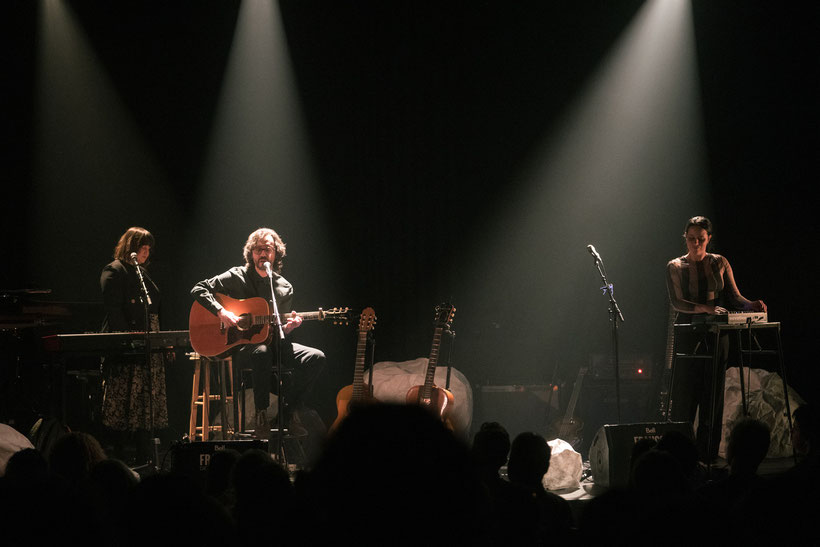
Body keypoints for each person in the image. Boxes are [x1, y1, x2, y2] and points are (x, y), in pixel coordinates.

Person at [191, 227, 325, 437]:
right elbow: (199, 288)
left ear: (276, 253)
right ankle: (261, 415)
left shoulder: (284, 287)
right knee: (261, 352)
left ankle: (288, 414)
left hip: (274, 343)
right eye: (258, 249)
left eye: (268, 249)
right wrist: (221, 312)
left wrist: (288, 328)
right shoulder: (237, 276)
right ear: (251, 253)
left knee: (316, 357)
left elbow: (279, 328)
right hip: (243, 347)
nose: (263, 254)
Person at [665, 216, 766, 461]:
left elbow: (735, 297)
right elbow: (677, 302)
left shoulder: (719, 262)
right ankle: (682, 458)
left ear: (709, 238)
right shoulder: (676, 266)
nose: (696, 244)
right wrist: (705, 309)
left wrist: (752, 304)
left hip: (716, 335)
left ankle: (707, 459)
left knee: (713, 399)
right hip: (689, 334)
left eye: (701, 239)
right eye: (691, 239)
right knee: (684, 398)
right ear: (685, 239)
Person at [100, 227, 170, 462]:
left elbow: (156, 306)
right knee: (124, 402)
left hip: (149, 343)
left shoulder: (142, 274)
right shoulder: (115, 270)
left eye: (149, 249)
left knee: (145, 402)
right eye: (142, 248)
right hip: (128, 345)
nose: (146, 253)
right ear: (131, 247)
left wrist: (163, 340)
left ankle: (145, 455)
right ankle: (118, 454)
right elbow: (114, 310)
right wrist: (127, 339)